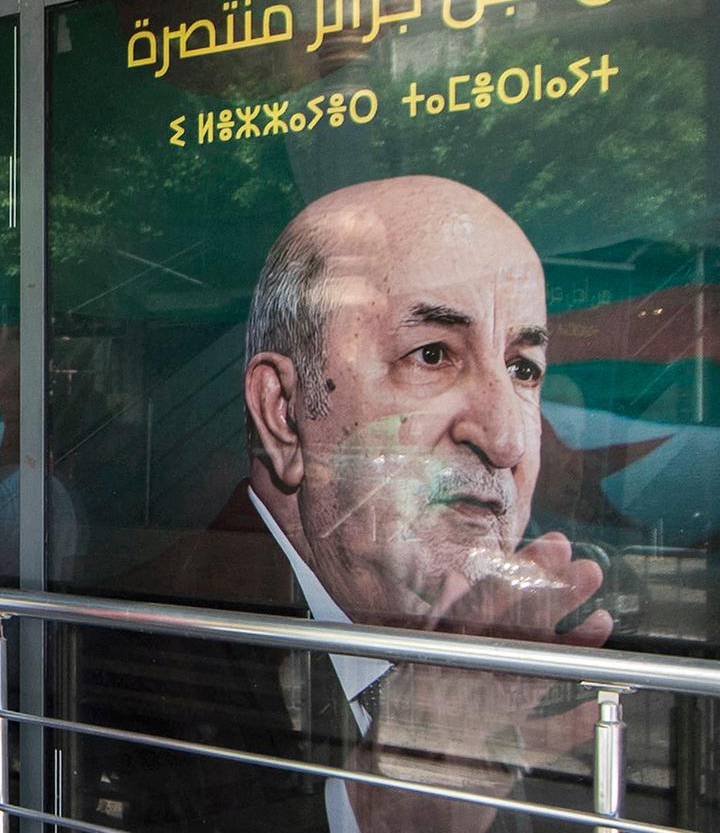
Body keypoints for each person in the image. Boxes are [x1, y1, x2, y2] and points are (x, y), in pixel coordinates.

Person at [78, 176, 610, 833]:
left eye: (524, 368)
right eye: (433, 355)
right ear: (282, 414)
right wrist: (374, 812)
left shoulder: (509, 670)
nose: (505, 438)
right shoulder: (138, 649)